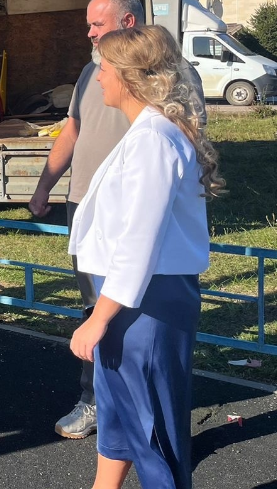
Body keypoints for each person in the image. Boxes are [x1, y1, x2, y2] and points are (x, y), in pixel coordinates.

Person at [28, 0, 205, 440]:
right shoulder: (93, 71)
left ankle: (150, 420)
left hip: (135, 215)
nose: (88, 32)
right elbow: (74, 128)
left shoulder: (173, 76)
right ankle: (100, 402)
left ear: (128, 23)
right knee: (95, 308)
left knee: (133, 316)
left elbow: (183, 145)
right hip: (86, 206)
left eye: (96, 24)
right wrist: (46, 184)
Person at [68, 25, 223, 488]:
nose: (98, 80)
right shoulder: (149, 132)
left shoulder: (154, 139)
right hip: (130, 297)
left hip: (146, 302)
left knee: (153, 430)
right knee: (118, 411)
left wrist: (98, 318)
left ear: (129, 77)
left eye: (104, 69)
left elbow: (140, 240)